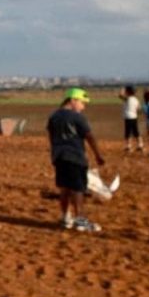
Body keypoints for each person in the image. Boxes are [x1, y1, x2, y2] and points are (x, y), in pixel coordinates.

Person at [47, 88, 105, 232]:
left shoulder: (54, 116)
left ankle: (65, 218)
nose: (83, 107)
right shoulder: (76, 117)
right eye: (82, 103)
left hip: (58, 156)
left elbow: (51, 136)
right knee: (78, 188)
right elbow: (89, 136)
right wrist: (98, 154)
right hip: (75, 156)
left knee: (64, 188)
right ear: (72, 100)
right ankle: (81, 220)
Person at [120, 85, 143, 153]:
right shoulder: (136, 99)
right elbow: (139, 109)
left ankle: (129, 146)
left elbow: (120, 95)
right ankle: (140, 144)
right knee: (136, 131)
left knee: (128, 132)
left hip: (128, 117)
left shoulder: (128, 98)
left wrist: (122, 89)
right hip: (134, 117)